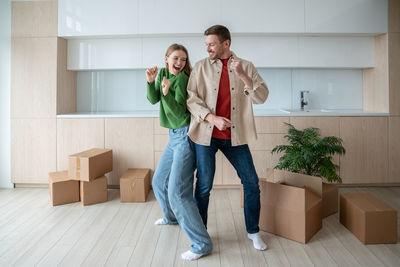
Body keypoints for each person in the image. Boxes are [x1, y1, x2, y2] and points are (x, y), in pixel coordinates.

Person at [186, 25, 269, 251]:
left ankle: (253, 231)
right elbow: (191, 99)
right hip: (207, 135)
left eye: (211, 44)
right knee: (203, 186)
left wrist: (242, 75)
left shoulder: (246, 66)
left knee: (251, 182)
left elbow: (261, 96)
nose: (207, 48)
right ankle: (200, 236)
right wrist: (212, 118)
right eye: (206, 45)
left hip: (235, 136)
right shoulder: (201, 67)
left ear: (226, 43)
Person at [146, 43, 212, 261]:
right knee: (158, 182)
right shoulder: (163, 73)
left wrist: (165, 93)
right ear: (166, 58)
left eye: (183, 60)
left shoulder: (183, 79)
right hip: (173, 136)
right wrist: (151, 82)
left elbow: (178, 111)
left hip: (185, 136)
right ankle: (171, 217)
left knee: (177, 192)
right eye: (175, 58)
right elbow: (153, 99)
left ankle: (201, 244)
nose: (179, 63)